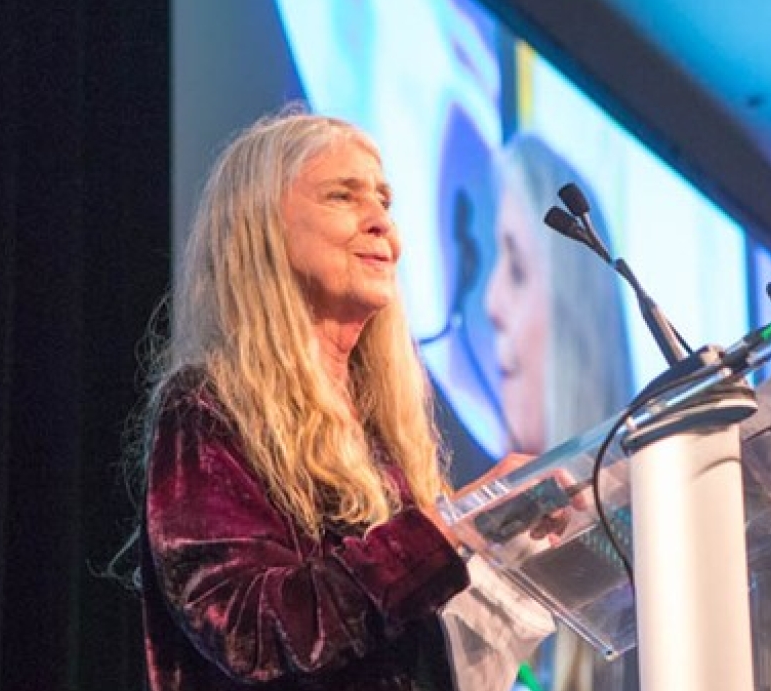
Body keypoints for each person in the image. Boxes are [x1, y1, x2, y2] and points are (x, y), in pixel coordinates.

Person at [132, 111, 546, 691]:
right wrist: (455, 526)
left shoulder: (385, 441)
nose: (383, 224)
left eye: (384, 201)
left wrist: (507, 548)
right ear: (263, 231)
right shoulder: (208, 410)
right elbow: (253, 631)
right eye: (343, 197)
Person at [484, 134, 638, 691]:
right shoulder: (478, 539)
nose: (491, 303)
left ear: (576, 324)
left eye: (518, 269)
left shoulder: (641, 552)